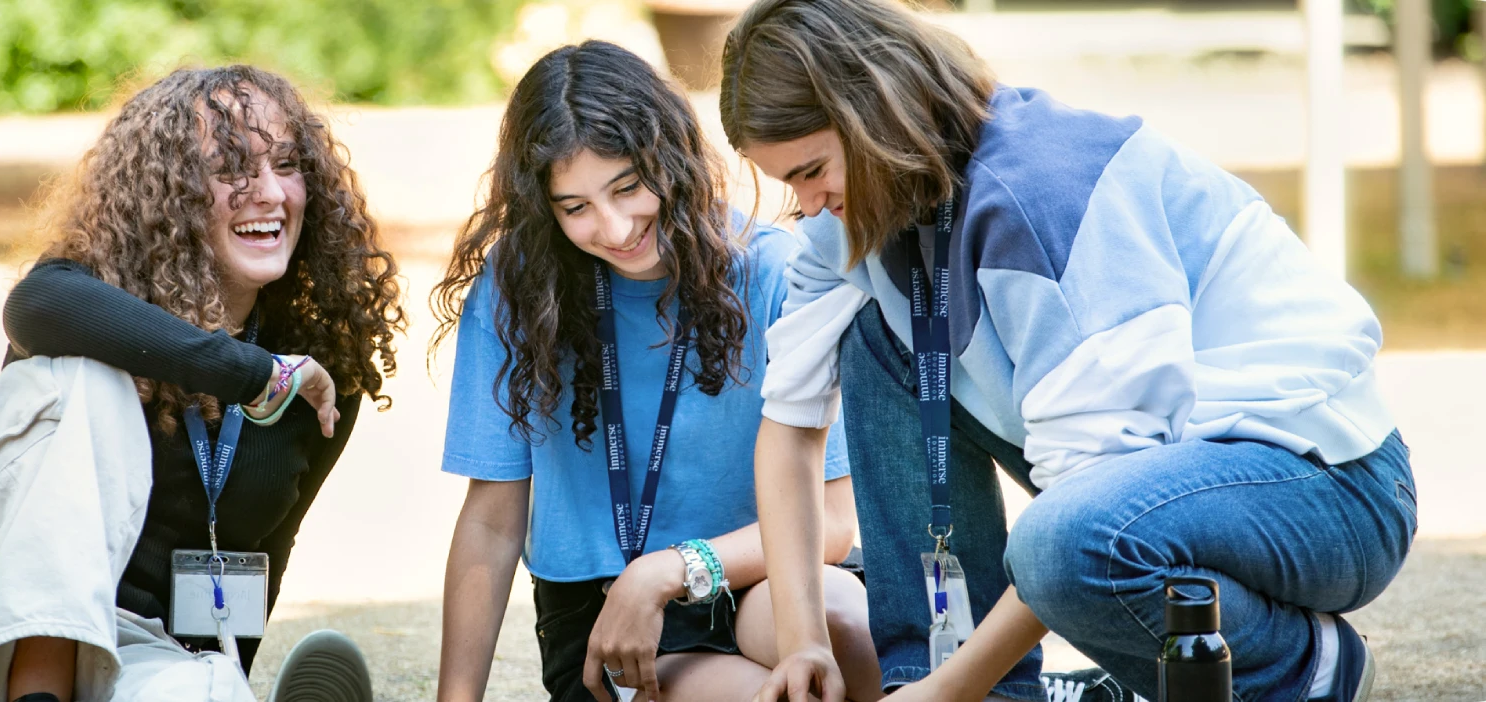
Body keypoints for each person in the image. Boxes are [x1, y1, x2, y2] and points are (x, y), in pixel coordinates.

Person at [717, 2, 1417, 702]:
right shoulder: (854, 217)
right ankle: (946, 679)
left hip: (1331, 490)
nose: (807, 205)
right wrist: (803, 640)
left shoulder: (1041, 201)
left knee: (1060, 548)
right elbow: (791, 426)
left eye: (812, 171)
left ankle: (1302, 669)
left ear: (873, 112)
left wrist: (946, 697)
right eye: (790, 184)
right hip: (1164, 482)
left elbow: (1076, 536)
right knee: (877, 341)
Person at [0, 64, 404, 702]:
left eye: (286, 164)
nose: (269, 193)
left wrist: (225, 685)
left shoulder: (317, 376)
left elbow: (261, 562)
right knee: (93, 381)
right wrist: (252, 376)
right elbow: (35, 303)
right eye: (230, 169)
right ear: (165, 195)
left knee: (208, 688)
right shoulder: (83, 312)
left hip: (128, 663)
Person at [432, 41, 884, 702]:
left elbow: (835, 521)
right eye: (575, 206)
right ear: (544, 207)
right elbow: (493, 520)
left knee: (846, 626)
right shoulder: (515, 288)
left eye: (627, 187)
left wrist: (669, 570)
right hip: (606, 613)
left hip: (759, 577)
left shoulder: (769, 269)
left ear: (668, 157)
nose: (615, 227)